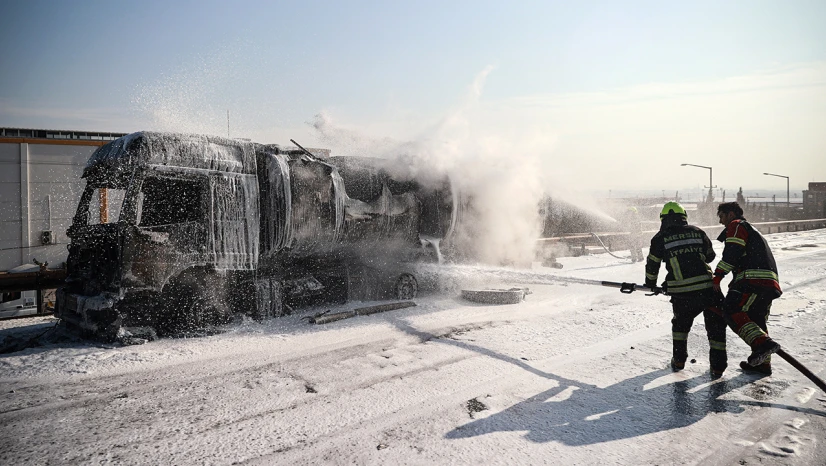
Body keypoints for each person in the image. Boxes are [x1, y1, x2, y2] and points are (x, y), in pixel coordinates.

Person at [645, 201, 728, 377]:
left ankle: (679, 360)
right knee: (716, 327)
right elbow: (710, 256)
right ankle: (718, 367)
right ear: (684, 217)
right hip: (708, 290)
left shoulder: (660, 238)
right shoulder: (698, 232)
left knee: (680, 326)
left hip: (682, 293)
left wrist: (650, 283)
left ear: (663, 219)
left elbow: (653, 264)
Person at [714, 202, 782, 375]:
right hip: (768, 282)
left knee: (731, 309)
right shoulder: (753, 229)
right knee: (756, 320)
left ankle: (763, 345)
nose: (721, 221)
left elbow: (732, 252)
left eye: (721, 216)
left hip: (752, 280)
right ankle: (762, 363)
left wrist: (718, 276)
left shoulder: (736, 225)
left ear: (730, 214)